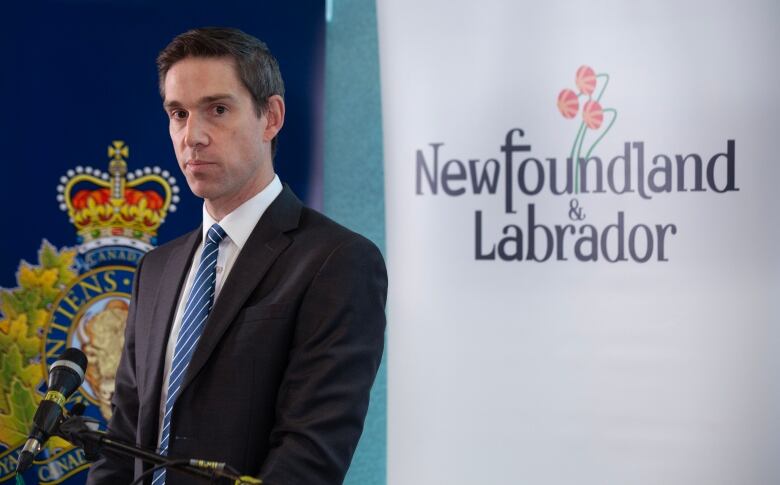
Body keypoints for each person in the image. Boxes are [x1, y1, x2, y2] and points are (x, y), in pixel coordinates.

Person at [86, 27, 387, 485]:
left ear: (271, 117)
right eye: (178, 113)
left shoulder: (338, 261)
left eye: (218, 110)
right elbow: (122, 438)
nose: (193, 136)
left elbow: (310, 453)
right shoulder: (157, 268)